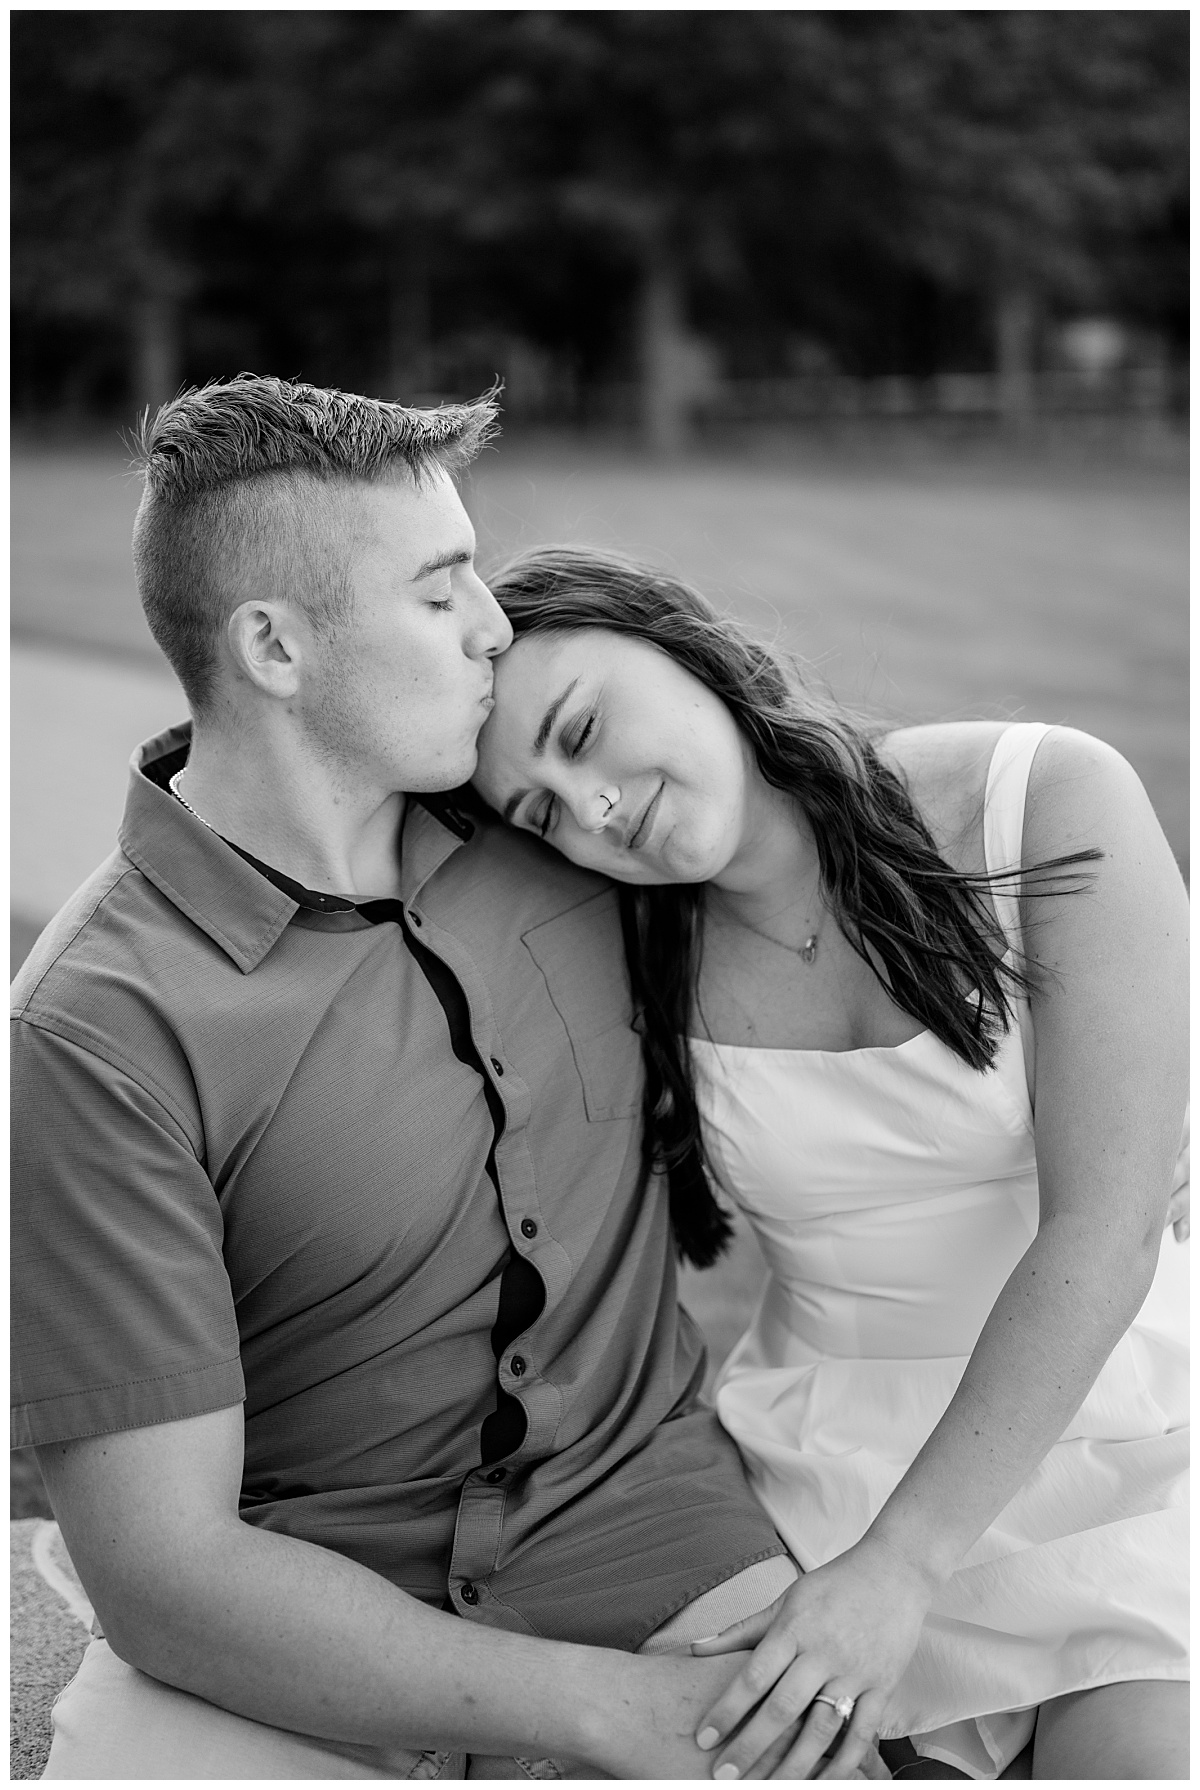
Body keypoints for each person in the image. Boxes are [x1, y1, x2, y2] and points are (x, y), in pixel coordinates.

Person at [12, 380, 893, 1781]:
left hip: (658, 1552)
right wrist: (607, 1717)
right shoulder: (97, 1028)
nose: (495, 623)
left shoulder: (568, 833)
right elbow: (163, 1567)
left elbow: (833, 819)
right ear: (274, 647)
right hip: (305, 1642)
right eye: (440, 590)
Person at [473, 544, 1190, 1782]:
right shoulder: (618, 953)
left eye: (581, 729)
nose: (589, 808)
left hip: (1117, 1417)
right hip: (824, 1459)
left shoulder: (1045, 797)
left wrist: (901, 1568)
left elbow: (1108, 1226)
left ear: (672, 636)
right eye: (540, 809)